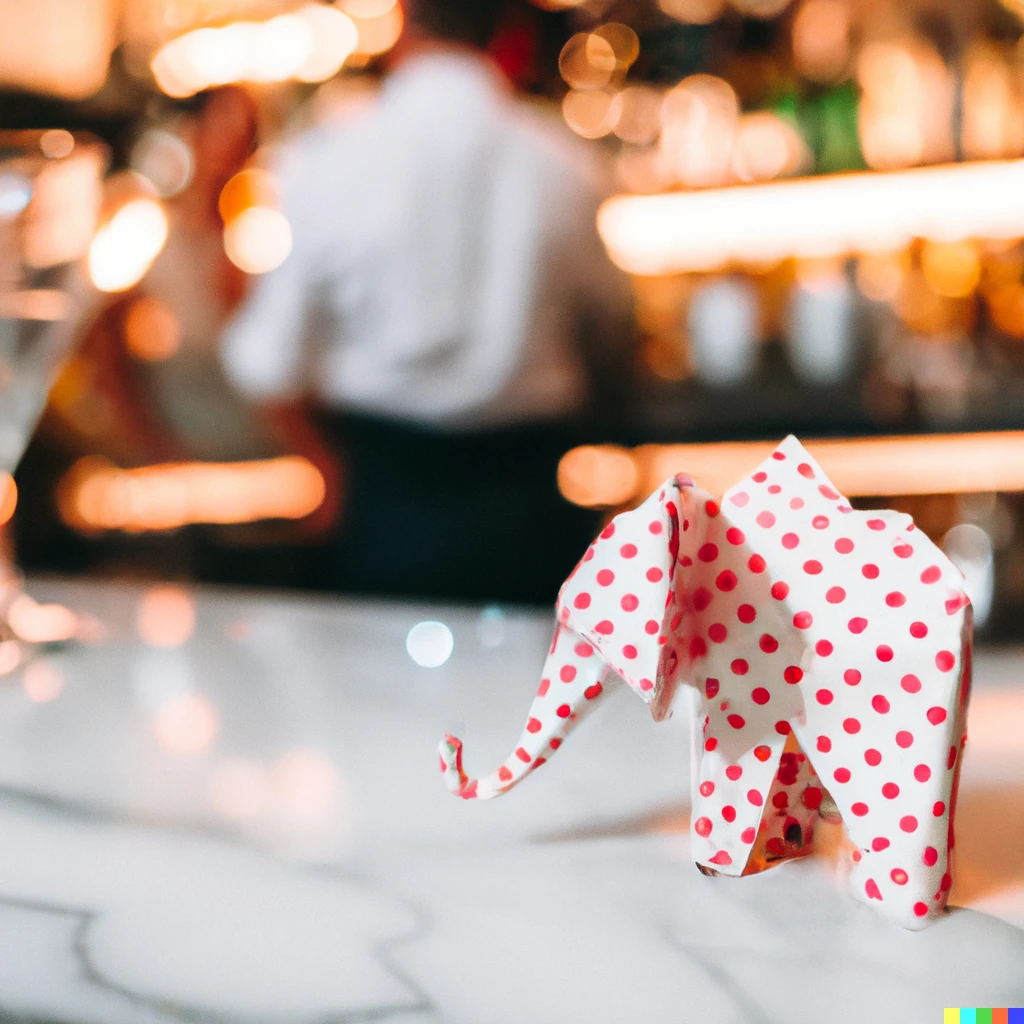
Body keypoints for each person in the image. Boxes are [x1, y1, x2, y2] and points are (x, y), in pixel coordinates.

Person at [220, 0, 635, 604]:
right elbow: (612, 326)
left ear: (402, 25)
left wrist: (324, 465)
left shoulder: (328, 159)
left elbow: (264, 362)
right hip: (531, 512)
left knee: (383, 693)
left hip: (389, 510)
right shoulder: (564, 162)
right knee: (537, 692)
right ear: (511, 38)